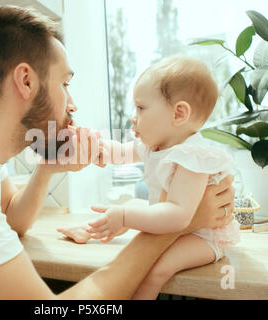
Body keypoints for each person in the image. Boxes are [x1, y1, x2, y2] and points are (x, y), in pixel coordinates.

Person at [0, 6, 235, 299]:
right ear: (25, 80)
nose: (72, 104)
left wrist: (48, 170)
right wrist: (176, 225)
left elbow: (12, 220)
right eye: (65, 84)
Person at [70, 56, 240, 300]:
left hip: (203, 237)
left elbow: (177, 216)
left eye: (141, 108)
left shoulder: (192, 157)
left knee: (155, 269)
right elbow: (118, 153)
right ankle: (92, 230)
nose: (132, 115)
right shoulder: (154, 147)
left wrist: (125, 216)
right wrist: (93, 146)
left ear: (179, 113)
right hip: (176, 228)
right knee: (136, 241)